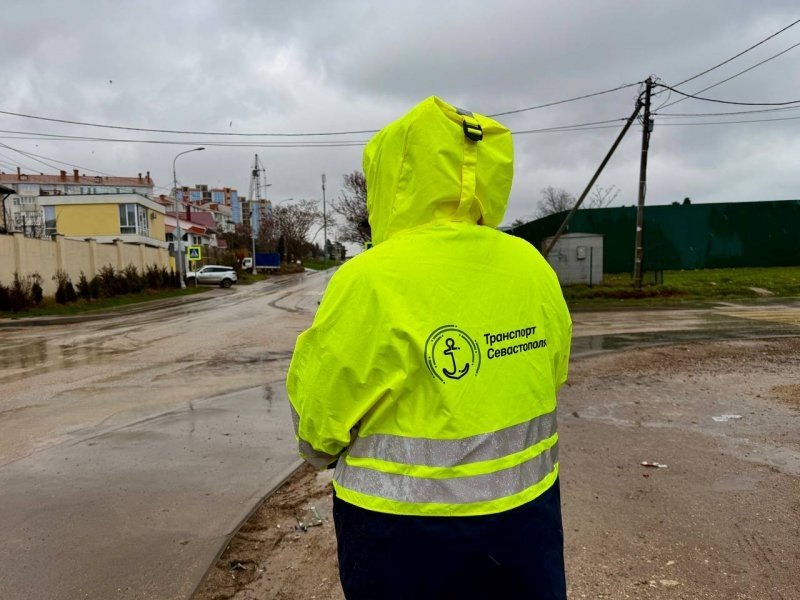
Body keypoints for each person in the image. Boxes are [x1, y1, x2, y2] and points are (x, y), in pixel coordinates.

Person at [287, 96, 572, 599]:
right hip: (526, 525)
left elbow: (319, 418)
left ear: (392, 178)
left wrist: (318, 450)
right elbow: (553, 373)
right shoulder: (531, 267)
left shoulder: (369, 279)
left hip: (401, 538)